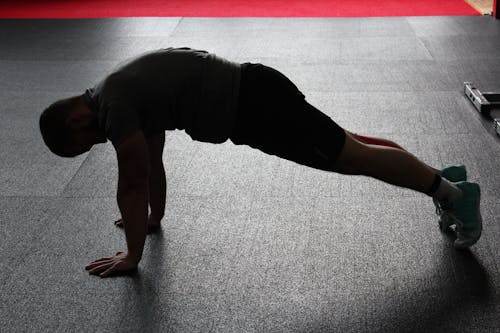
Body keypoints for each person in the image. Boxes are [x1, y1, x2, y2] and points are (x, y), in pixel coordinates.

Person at [39, 47, 482, 278]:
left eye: (88, 143)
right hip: (257, 89)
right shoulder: (118, 91)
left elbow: (131, 181)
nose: (100, 143)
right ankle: (442, 178)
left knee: (353, 157)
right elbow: (151, 162)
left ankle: (453, 194)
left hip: (257, 111)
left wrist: (132, 255)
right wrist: (154, 217)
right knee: (352, 144)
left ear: (77, 119)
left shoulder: (114, 106)